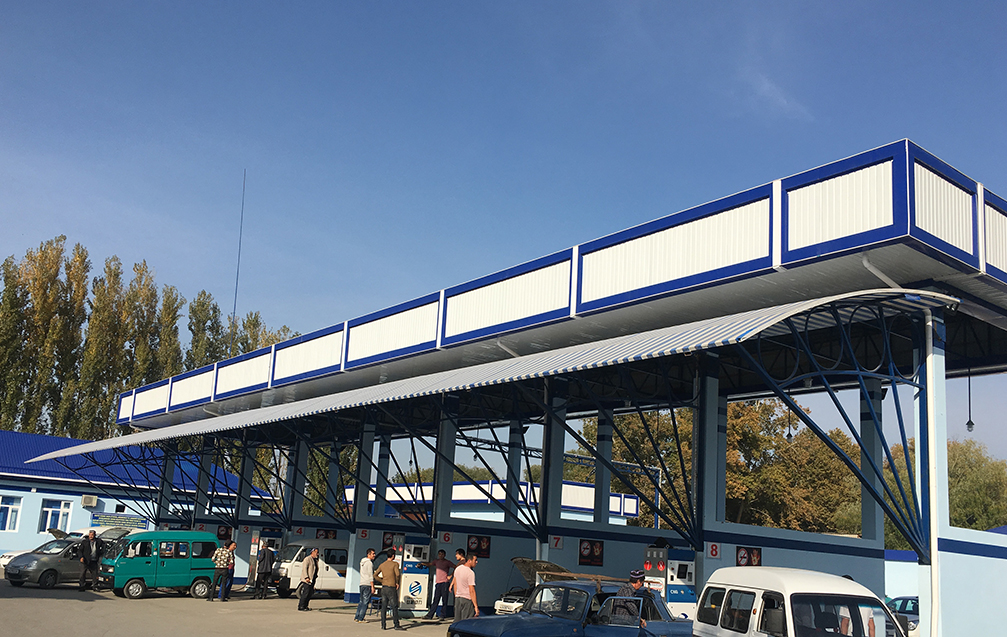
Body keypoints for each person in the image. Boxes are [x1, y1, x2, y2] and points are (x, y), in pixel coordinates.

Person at [374, 549, 405, 630]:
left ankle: (383, 625)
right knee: (394, 606)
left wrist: (382, 581)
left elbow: (375, 575)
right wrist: (397, 582)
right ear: (393, 556)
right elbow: (397, 574)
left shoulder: (382, 564)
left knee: (384, 607)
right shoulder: (395, 564)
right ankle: (396, 624)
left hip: (384, 587)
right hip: (391, 587)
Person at [422, 549, 455, 620]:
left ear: (444, 555)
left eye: (442, 554)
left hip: (445, 583)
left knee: (444, 600)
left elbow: (455, 567)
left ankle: (442, 615)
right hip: (438, 583)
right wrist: (423, 564)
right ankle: (430, 615)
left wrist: (450, 576)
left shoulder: (447, 562)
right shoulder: (436, 561)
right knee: (435, 600)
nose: (440, 556)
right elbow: (430, 564)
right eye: (439, 554)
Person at [452, 553, 478, 621]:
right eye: (475, 560)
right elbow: (471, 590)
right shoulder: (470, 573)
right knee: (466, 622)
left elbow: (455, 584)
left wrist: (456, 596)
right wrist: (476, 606)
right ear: (469, 560)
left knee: (457, 621)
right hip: (467, 599)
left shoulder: (458, 569)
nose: (476, 562)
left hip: (458, 599)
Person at [354, 548, 377, 623]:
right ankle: (361, 618)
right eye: (373, 554)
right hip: (367, 584)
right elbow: (370, 575)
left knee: (361, 601)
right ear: (368, 554)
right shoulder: (369, 563)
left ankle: (357, 617)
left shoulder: (362, 562)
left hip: (362, 583)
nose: (374, 555)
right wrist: (372, 586)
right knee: (365, 602)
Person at [298, 547, 319, 611]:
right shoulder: (307, 559)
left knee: (310, 593)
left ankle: (306, 606)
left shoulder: (315, 560)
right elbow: (304, 569)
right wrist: (306, 577)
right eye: (316, 552)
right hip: (307, 579)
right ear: (312, 552)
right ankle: (301, 606)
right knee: (306, 593)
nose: (317, 554)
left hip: (313, 579)